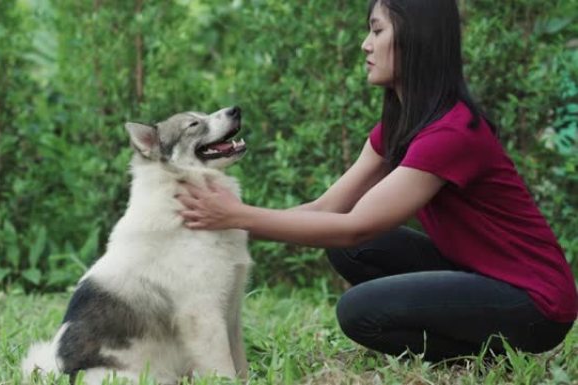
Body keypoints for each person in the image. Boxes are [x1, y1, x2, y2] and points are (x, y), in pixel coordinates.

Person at [176, 0, 577, 362]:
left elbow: (354, 227)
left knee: (359, 312)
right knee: (350, 252)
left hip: (534, 303)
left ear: (415, 38)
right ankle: (470, 338)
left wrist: (235, 216)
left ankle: (477, 356)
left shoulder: (452, 133)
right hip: (478, 273)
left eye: (377, 30)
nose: (366, 45)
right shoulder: (401, 126)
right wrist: (227, 220)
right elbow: (326, 209)